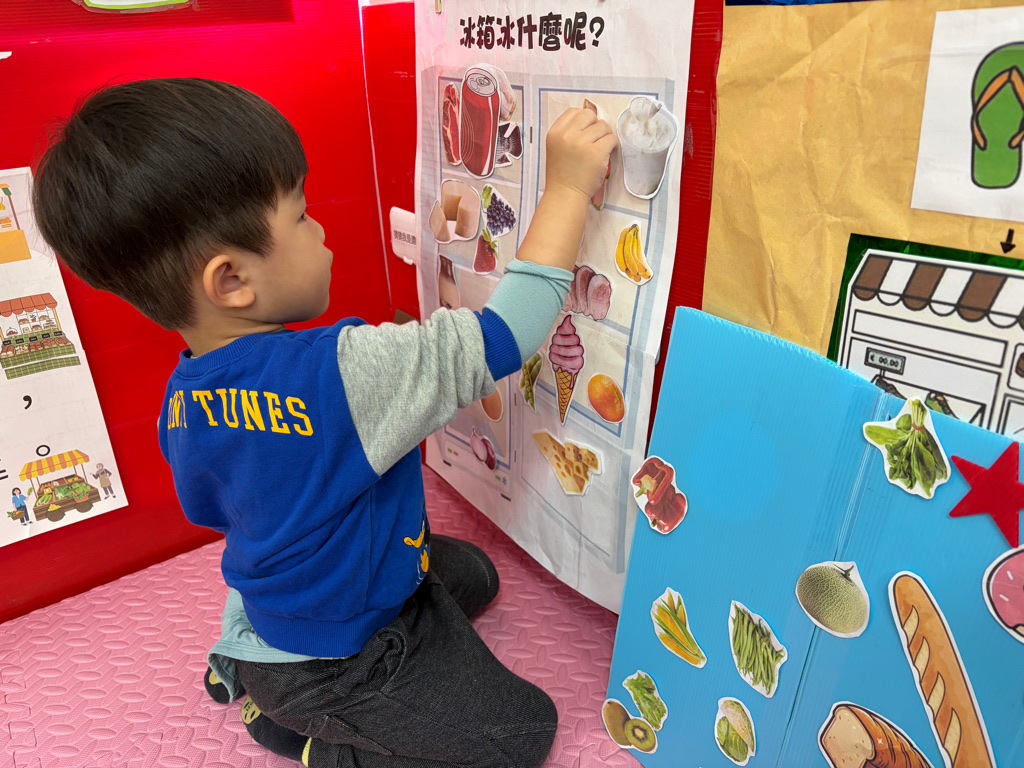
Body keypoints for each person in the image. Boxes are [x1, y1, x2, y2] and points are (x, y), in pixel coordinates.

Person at [32, 78, 615, 768]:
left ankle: (259, 666)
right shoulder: (342, 372)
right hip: (335, 663)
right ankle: (308, 738)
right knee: (519, 732)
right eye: (302, 216)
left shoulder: (182, 396)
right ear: (231, 281)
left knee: (475, 578)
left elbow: (225, 508)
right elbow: (506, 334)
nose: (321, 231)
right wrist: (569, 186)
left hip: (293, 610)